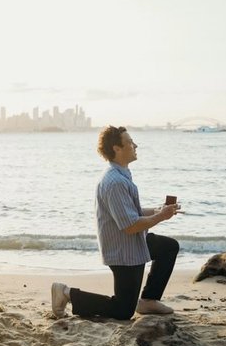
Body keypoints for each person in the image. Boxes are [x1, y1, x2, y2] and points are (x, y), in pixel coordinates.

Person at [51, 126, 181, 320]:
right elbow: (130, 226)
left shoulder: (121, 175)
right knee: (123, 310)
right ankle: (66, 292)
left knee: (168, 247)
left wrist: (158, 210)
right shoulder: (115, 182)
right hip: (123, 252)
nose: (135, 145)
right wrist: (161, 216)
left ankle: (148, 300)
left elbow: (131, 213)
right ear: (117, 148)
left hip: (133, 244)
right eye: (130, 142)